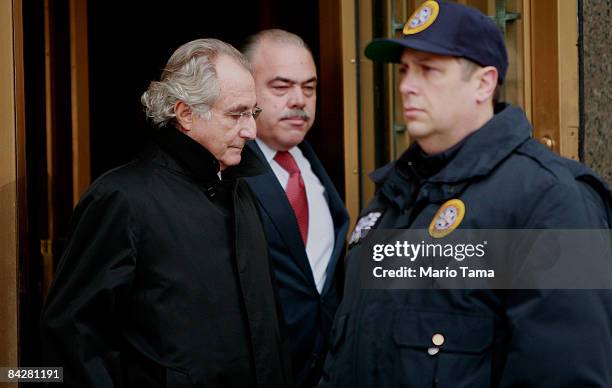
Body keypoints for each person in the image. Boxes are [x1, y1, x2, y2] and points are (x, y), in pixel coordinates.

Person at [321, 1, 612, 387]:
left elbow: (568, 374)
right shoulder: (392, 198)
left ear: (484, 83)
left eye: (429, 70)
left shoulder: (551, 199)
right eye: (405, 70)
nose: (407, 85)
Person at [40, 38, 291, 387]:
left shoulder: (240, 188)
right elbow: (74, 336)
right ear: (185, 113)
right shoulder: (122, 198)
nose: (250, 131)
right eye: (236, 114)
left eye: (253, 113)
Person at [241, 29, 349, 387]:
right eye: (281, 86)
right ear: (247, 89)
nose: (299, 100)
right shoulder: (227, 176)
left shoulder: (318, 167)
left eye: (309, 87)